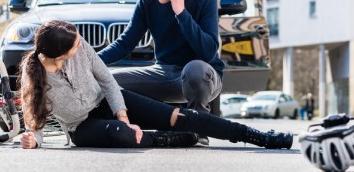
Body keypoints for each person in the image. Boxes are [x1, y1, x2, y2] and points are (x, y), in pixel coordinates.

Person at [19, 20, 293, 150]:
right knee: (120, 134)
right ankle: (174, 140)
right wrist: (34, 140)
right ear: (59, 52)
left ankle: (257, 136)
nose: (80, 46)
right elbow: (35, 120)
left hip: (109, 103)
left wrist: (123, 115)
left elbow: (107, 80)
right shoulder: (34, 75)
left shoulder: (80, 48)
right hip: (82, 127)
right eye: (74, 45)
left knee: (183, 116)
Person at [97, 0, 223, 119]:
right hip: (164, 74)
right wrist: (89, 63)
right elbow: (124, 44)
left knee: (194, 69)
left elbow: (208, 52)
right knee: (106, 80)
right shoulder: (147, 2)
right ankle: (126, 127)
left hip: (203, 76)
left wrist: (181, 12)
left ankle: (198, 129)